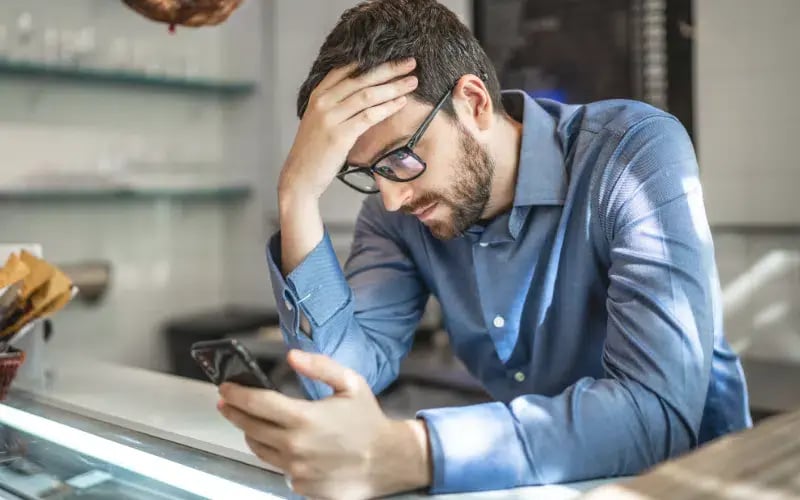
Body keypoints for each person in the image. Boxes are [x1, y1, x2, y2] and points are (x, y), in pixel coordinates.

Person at [217, 0, 751, 498]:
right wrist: (297, 197)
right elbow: (338, 379)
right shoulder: (394, 212)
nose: (391, 198)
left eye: (401, 157)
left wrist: (412, 452)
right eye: (367, 172)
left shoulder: (633, 153)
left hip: (698, 484)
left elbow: (657, 414)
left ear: (472, 103)